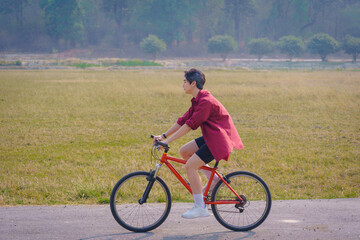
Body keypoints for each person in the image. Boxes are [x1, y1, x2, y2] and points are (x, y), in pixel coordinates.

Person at [153, 68, 244, 219]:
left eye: (184, 82)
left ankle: (200, 207)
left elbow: (189, 125)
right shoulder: (198, 99)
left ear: (193, 83)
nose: (182, 84)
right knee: (184, 152)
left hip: (218, 141)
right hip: (212, 137)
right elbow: (183, 120)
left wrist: (168, 141)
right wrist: (163, 136)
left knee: (190, 166)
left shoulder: (205, 102)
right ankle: (214, 180)